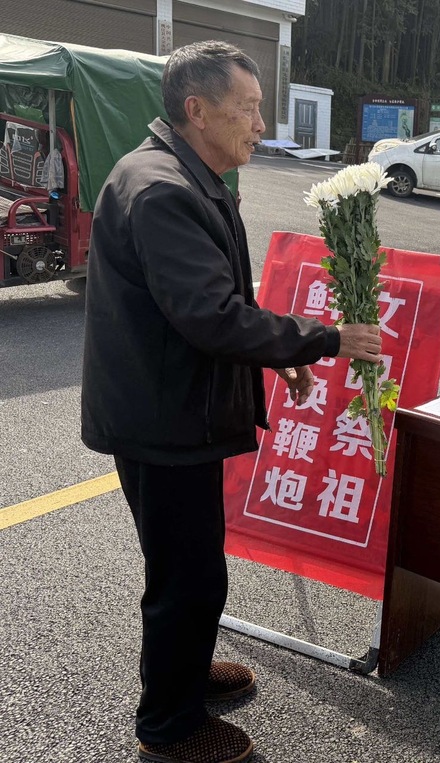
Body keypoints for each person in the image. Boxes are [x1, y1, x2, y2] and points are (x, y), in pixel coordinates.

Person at [81, 41, 383, 763]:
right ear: (197, 109)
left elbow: (213, 308)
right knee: (187, 575)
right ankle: (170, 725)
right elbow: (212, 315)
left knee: (187, 565)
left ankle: (184, 672)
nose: (260, 122)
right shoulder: (163, 190)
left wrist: (280, 356)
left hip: (168, 407)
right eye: (247, 107)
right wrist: (326, 339)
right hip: (164, 420)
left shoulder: (181, 172)